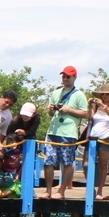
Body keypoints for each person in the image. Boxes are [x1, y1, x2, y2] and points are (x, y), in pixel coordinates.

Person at [42, 65, 88, 199]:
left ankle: (61, 191)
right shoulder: (56, 93)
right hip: (53, 132)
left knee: (67, 162)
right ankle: (48, 191)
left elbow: (86, 114)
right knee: (48, 162)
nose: (65, 79)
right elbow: (49, 114)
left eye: (68, 76)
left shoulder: (79, 95)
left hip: (68, 133)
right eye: (63, 76)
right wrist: (51, 109)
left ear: (74, 77)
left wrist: (69, 110)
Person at [86, 84, 109, 200]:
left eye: (107, 94)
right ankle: (91, 188)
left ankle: (100, 191)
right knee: (86, 164)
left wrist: (104, 107)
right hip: (92, 138)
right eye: (103, 94)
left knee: (103, 165)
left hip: (107, 138)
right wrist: (89, 106)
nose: (105, 96)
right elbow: (89, 117)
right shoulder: (96, 106)